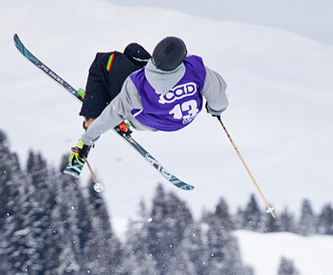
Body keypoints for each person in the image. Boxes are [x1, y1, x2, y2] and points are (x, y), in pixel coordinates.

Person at [64, 36, 228, 177]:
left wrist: (86, 141)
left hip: (143, 119)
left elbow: (114, 113)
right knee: (133, 50)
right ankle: (103, 98)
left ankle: (91, 118)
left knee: (105, 62)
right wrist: (215, 110)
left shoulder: (137, 84)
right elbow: (218, 96)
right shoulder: (195, 69)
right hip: (180, 120)